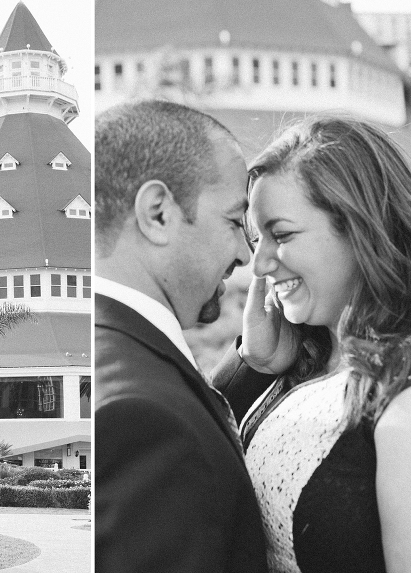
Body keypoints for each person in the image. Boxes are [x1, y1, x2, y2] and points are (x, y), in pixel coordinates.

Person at [228, 114, 411, 573]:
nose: (258, 264)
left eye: (280, 235)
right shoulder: (306, 357)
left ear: (360, 228)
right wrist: (253, 363)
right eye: (255, 238)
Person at [95, 99, 268, 573]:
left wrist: (249, 364)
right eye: (235, 222)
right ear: (158, 214)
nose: (246, 254)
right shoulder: (138, 417)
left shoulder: (118, 354)